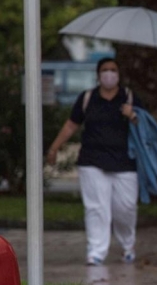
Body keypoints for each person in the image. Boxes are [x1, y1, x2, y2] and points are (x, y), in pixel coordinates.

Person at [46, 57, 142, 266]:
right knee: (96, 208)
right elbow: (72, 125)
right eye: (105, 70)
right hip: (92, 160)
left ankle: (128, 244)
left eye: (113, 70)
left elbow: (145, 127)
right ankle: (96, 250)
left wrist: (132, 115)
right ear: (98, 75)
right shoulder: (87, 98)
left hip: (124, 162)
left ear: (119, 74)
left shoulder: (129, 97)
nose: (109, 74)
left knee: (125, 208)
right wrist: (55, 147)